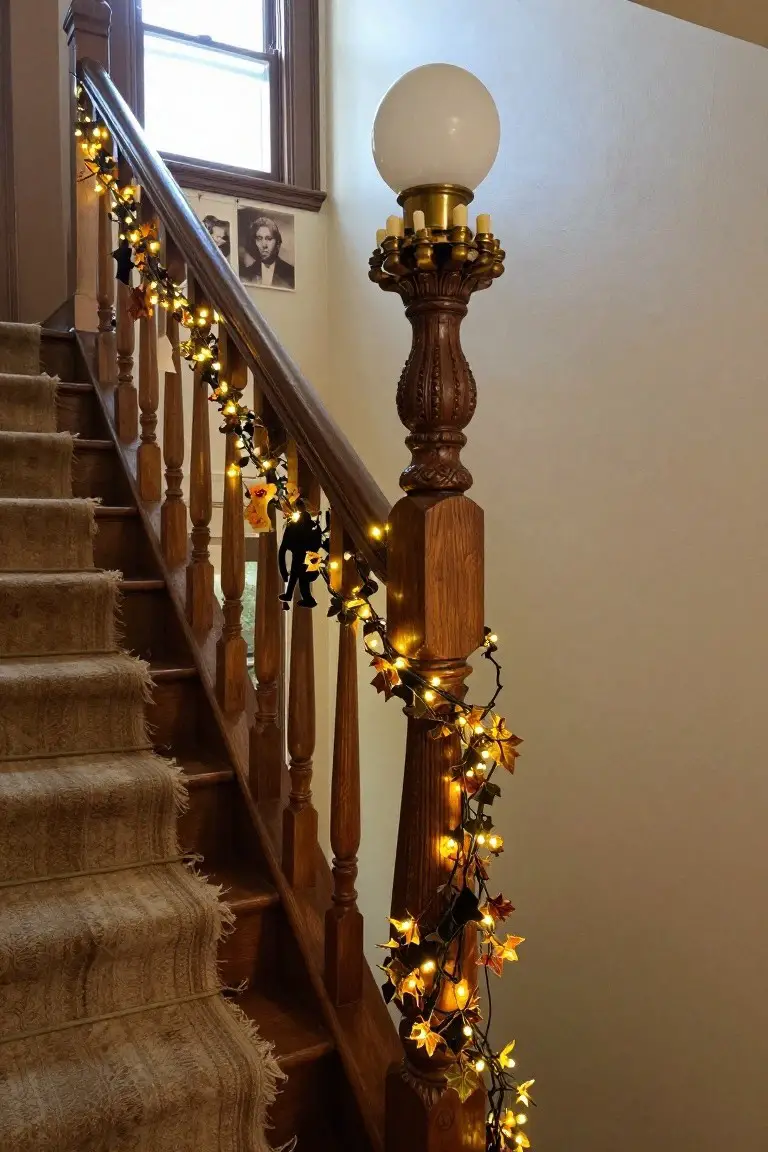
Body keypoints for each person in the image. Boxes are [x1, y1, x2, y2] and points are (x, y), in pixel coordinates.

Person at [239, 216, 295, 289]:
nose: (264, 245)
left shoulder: (291, 273)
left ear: (277, 242)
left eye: (269, 239)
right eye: (259, 239)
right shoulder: (246, 274)